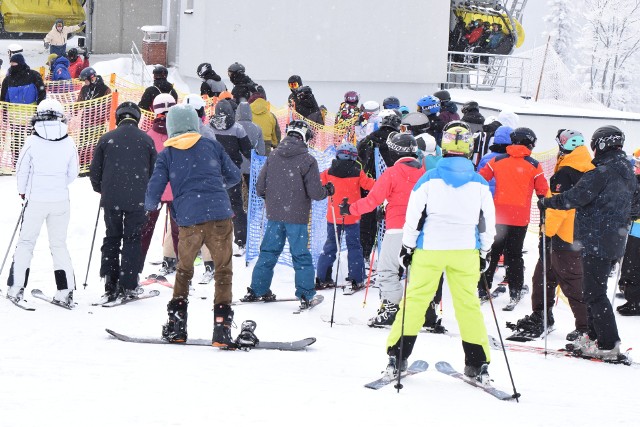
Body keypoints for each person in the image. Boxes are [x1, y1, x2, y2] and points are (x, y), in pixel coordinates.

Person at [382, 109, 496, 383]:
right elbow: (488, 223)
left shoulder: (429, 178)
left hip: (430, 249)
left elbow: (413, 217)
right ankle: (477, 364)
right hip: (464, 251)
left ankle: (397, 357)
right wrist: (484, 251)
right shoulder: (479, 183)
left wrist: (407, 247)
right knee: (467, 305)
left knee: (416, 300)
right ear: (469, 148)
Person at [145, 104, 241, 346]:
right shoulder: (211, 145)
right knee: (223, 271)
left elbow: (155, 188)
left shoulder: (167, 155)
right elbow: (234, 175)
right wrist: (216, 187)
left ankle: (177, 326)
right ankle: (221, 329)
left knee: (184, 270)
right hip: (219, 216)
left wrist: (149, 205)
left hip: (188, 219)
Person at [539, 126, 638, 360]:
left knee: (594, 292)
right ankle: (595, 338)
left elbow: (575, 197)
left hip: (597, 239)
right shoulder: (627, 172)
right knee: (593, 289)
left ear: (601, 144)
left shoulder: (601, 172)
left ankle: (608, 344)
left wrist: (548, 203)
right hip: (614, 239)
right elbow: (636, 205)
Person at [241, 120, 332, 310]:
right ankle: (306, 295)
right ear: (304, 137)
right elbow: (315, 193)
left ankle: (257, 290)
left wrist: (274, 199)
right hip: (297, 217)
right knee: (300, 256)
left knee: (268, 252)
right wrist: (327, 191)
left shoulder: (273, 155)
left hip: (274, 215)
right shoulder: (307, 160)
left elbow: (259, 188)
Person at [513, 129, 591, 340]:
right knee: (542, 278)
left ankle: (586, 327)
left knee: (571, 283)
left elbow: (559, 207)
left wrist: (546, 234)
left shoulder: (566, 172)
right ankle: (541, 315)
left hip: (563, 237)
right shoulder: (588, 169)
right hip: (576, 234)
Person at [341, 133, 425, 327]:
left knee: (388, 270)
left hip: (397, 229)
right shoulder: (424, 173)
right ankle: (420, 311)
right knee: (417, 271)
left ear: (395, 152)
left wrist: (350, 209)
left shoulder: (392, 173)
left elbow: (372, 201)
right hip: (420, 231)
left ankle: (391, 309)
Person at [5, 99, 79, 307]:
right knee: (59, 244)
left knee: (26, 243)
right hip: (60, 201)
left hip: (35, 200)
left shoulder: (31, 142)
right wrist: (56, 185)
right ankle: (65, 291)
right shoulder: (68, 142)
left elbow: (22, 171)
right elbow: (72, 174)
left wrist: (23, 192)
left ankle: (16, 286)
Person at [89, 102, 157, 302]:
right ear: (137, 118)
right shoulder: (147, 140)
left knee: (112, 237)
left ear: (118, 117)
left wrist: (101, 189)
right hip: (138, 198)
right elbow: (154, 172)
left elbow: (95, 171)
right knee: (133, 239)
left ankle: (110, 283)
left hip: (111, 198)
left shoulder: (107, 139)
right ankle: (129, 284)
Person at [478, 128, 549, 308]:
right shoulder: (534, 165)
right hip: (519, 218)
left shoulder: (497, 160)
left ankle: (482, 289)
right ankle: (515, 290)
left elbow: (480, 179)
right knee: (514, 255)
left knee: (492, 253)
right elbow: (542, 191)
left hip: (498, 216)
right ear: (529, 143)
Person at [316, 143, 375, 291]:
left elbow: (317, 184)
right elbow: (370, 185)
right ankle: (356, 278)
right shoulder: (357, 171)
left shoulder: (328, 172)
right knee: (354, 246)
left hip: (333, 216)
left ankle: (322, 277)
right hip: (351, 215)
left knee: (330, 246)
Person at [139, 94, 179, 273]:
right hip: (178, 191)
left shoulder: (148, 136)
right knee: (180, 233)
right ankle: (182, 269)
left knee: (144, 232)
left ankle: (135, 268)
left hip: (154, 190)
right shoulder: (181, 135)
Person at [210, 99, 252, 254]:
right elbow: (248, 151)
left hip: (213, 172)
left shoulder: (209, 127)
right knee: (236, 206)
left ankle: (211, 240)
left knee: (212, 205)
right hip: (232, 171)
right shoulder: (237, 128)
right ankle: (241, 241)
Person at [617, 148, 640, 315]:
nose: (635, 166)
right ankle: (631, 294)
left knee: (633, 263)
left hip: (638, 228)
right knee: (630, 261)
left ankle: (635, 301)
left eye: (638, 163)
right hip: (635, 226)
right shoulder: (636, 180)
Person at [476, 125, 512, 196]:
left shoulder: (486, 157)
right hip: (503, 198)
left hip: (487, 197)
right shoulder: (512, 159)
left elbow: (479, 178)